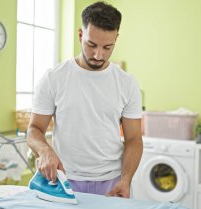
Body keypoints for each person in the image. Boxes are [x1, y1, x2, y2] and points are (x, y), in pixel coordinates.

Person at [27, 1, 143, 198]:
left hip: (112, 182)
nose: (99, 55)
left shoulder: (127, 83)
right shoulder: (53, 78)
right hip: (64, 181)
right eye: (92, 45)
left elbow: (134, 140)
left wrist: (126, 180)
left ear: (116, 38)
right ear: (81, 35)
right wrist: (45, 150)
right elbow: (34, 130)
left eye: (107, 47)